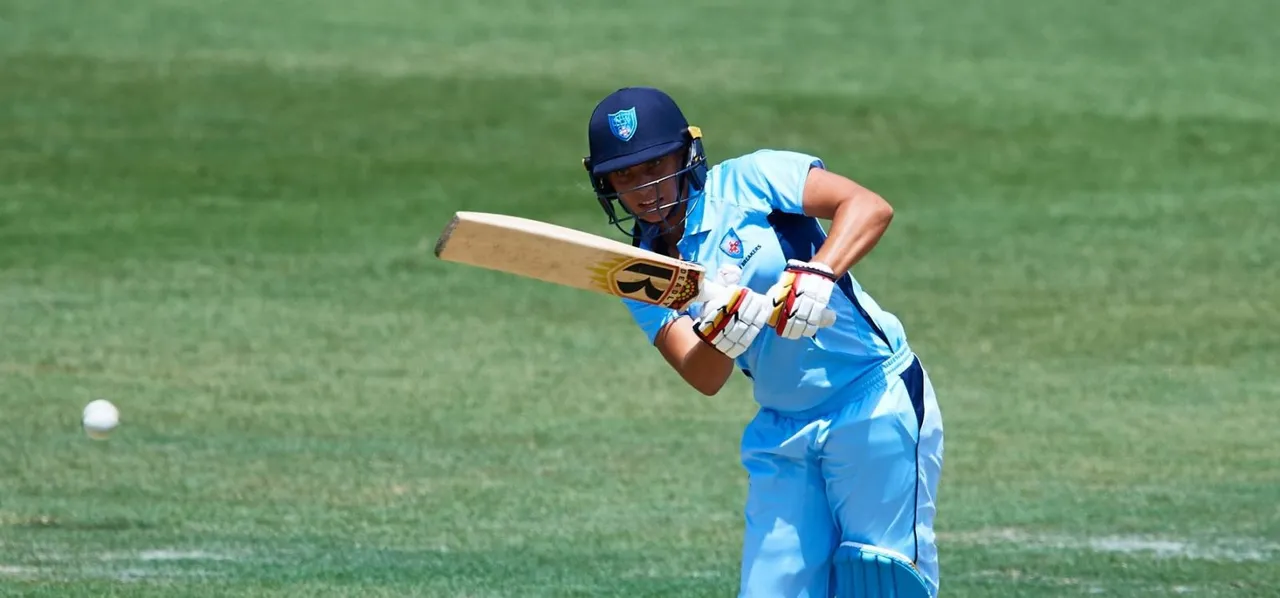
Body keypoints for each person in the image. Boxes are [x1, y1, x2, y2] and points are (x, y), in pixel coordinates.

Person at [580, 87, 945, 598]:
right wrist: (723, 333)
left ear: (687, 155)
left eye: (655, 166)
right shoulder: (641, 274)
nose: (645, 190)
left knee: (877, 580)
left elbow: (867, 206)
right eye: (626, 176)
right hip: (782, 427)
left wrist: (817, 276)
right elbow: (704, 375)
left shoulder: (751, 180)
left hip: (872, 398)